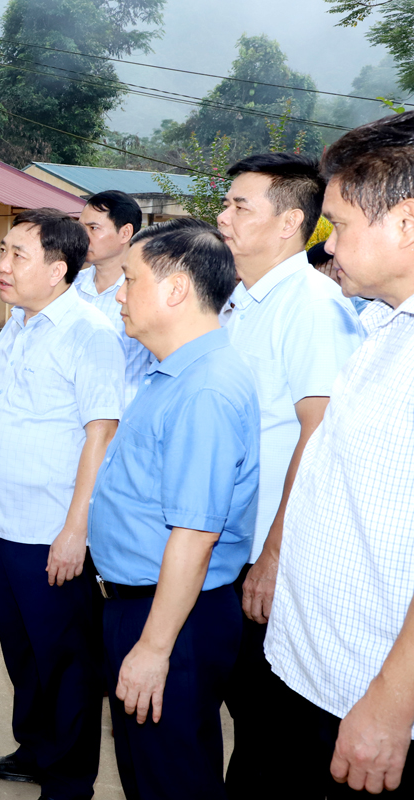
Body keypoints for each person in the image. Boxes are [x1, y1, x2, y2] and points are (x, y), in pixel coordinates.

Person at [0, 209, 123, 799]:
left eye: (17, 255)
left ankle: (68, 783)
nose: (2, 265)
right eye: (3, 251)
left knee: (65, 662)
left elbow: (101, 432)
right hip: (2, 520)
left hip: (51, 529)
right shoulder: (19, 325)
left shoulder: (89, 333)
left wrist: (75, 529)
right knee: (24, 652)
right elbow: (0, 408)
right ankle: (35, 749)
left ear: (59, 269)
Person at [264, 110, 414, 798]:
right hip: (313, 675)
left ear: (407, 223)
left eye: (341, 225)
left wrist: (390, 703)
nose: (327, 246)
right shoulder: (382, 326)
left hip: (372, 705)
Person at [88, 218, 258, 800]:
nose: (118, 292)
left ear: (176, 289)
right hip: (146, 605)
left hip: (172, 618)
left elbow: (194, 536)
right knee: (148, 774)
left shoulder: (204, 389)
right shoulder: (172, 374)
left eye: (130, 279)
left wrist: (155, 647)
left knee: (174, 781)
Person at [212, 153, 365, 798]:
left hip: (267, 556)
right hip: (229, 547)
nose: (222, 218)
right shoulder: (240, 302)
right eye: (226, 204)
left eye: (240, 207)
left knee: (271, 730)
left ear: (289, 223)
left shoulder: (309, 304)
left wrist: (276, 551)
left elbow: (320, 431)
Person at [76, 189, 155, 405]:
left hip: (124, 418)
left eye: (93, 228)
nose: (83, 236)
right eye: (81, 227)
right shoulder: (67, 287)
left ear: (125, 233)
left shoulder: (147, 293)